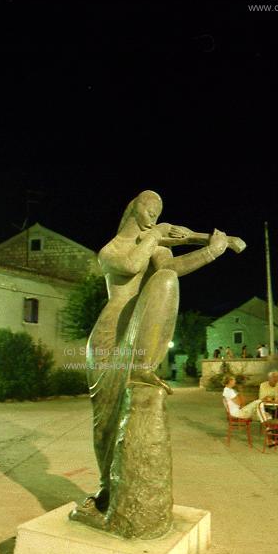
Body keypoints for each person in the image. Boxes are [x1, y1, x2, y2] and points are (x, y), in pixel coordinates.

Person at [78, 189, 234, 515]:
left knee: (164, 280)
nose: (154, 214)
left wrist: (213, 250)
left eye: (160, 210)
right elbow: (133, 262)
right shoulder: (111, 250)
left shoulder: (155, 249)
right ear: (134, 206)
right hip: (108, 337)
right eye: (150, 207)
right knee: (104, 422)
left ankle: (143, 365)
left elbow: (172, 270)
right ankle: (106, 488)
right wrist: (159, 235)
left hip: (138, 333)